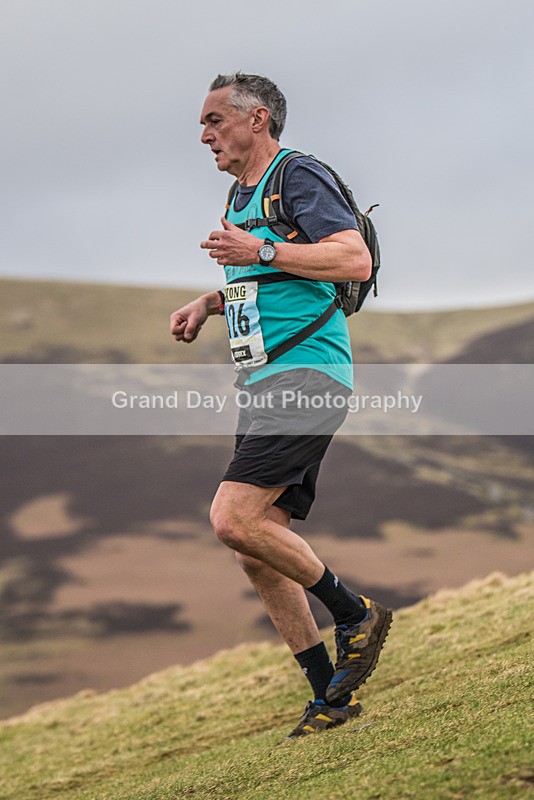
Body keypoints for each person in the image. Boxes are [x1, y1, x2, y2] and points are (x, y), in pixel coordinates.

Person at [170, 72, 392, 741]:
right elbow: (267, 278)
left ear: (256, 119)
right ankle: (330, 696)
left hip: (308, 375)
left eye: (214, 120)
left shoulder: (297, 175)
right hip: (265, 382)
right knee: (255, 549)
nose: (204, 135)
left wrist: (258, 247)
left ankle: (357, 614)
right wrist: (211, 301)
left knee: (232, 518)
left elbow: (351, 258)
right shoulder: (240, 194)